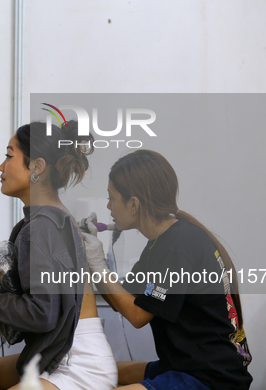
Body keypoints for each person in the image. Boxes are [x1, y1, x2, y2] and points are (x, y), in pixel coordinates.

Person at [0, 121, 118, 390]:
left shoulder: (43, 227)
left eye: (9, 156)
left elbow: (43, 313)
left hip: (76, 364)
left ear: (37, 168)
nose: (1, 166)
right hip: (60, 352)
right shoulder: (47, 219)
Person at [81, 149, 252, 390]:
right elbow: (123, 296)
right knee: (96, 372)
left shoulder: (176, 245)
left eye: (111, 198)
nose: (108, 206)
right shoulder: (160, 242)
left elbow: (137, 315)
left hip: (210, 377)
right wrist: (93, 261)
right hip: (184, 364)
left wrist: (98, 266)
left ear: (133, 204)